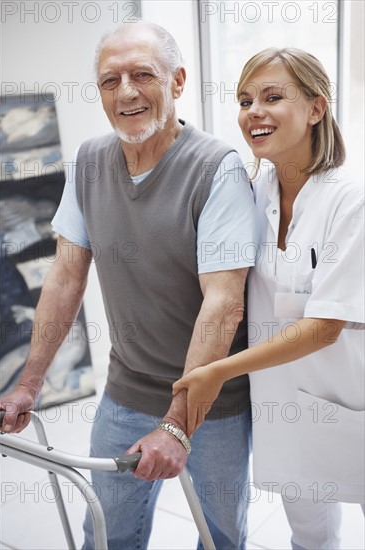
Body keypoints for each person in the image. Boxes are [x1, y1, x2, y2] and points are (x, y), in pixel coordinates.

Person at [0, 21, 257, 550]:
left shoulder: (217, 170)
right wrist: (29, 383)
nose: (126, 93)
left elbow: (224, 304)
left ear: (179, 81)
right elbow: (67, 274)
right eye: (110, 81)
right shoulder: (89, 162)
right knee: (109, 534)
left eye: (143, 75)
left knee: (222, 537)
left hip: (212, 403)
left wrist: (179, 424)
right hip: (126, 390)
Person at [173, 47, 365, 549]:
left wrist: (217, 370)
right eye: (244, 100)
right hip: (285, 403)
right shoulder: (250, 195)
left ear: (317, 108)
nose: (253, 111)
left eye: (272, 97)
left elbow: (326, 325)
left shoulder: (351, 198)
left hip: (354, 391)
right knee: (309, 534)